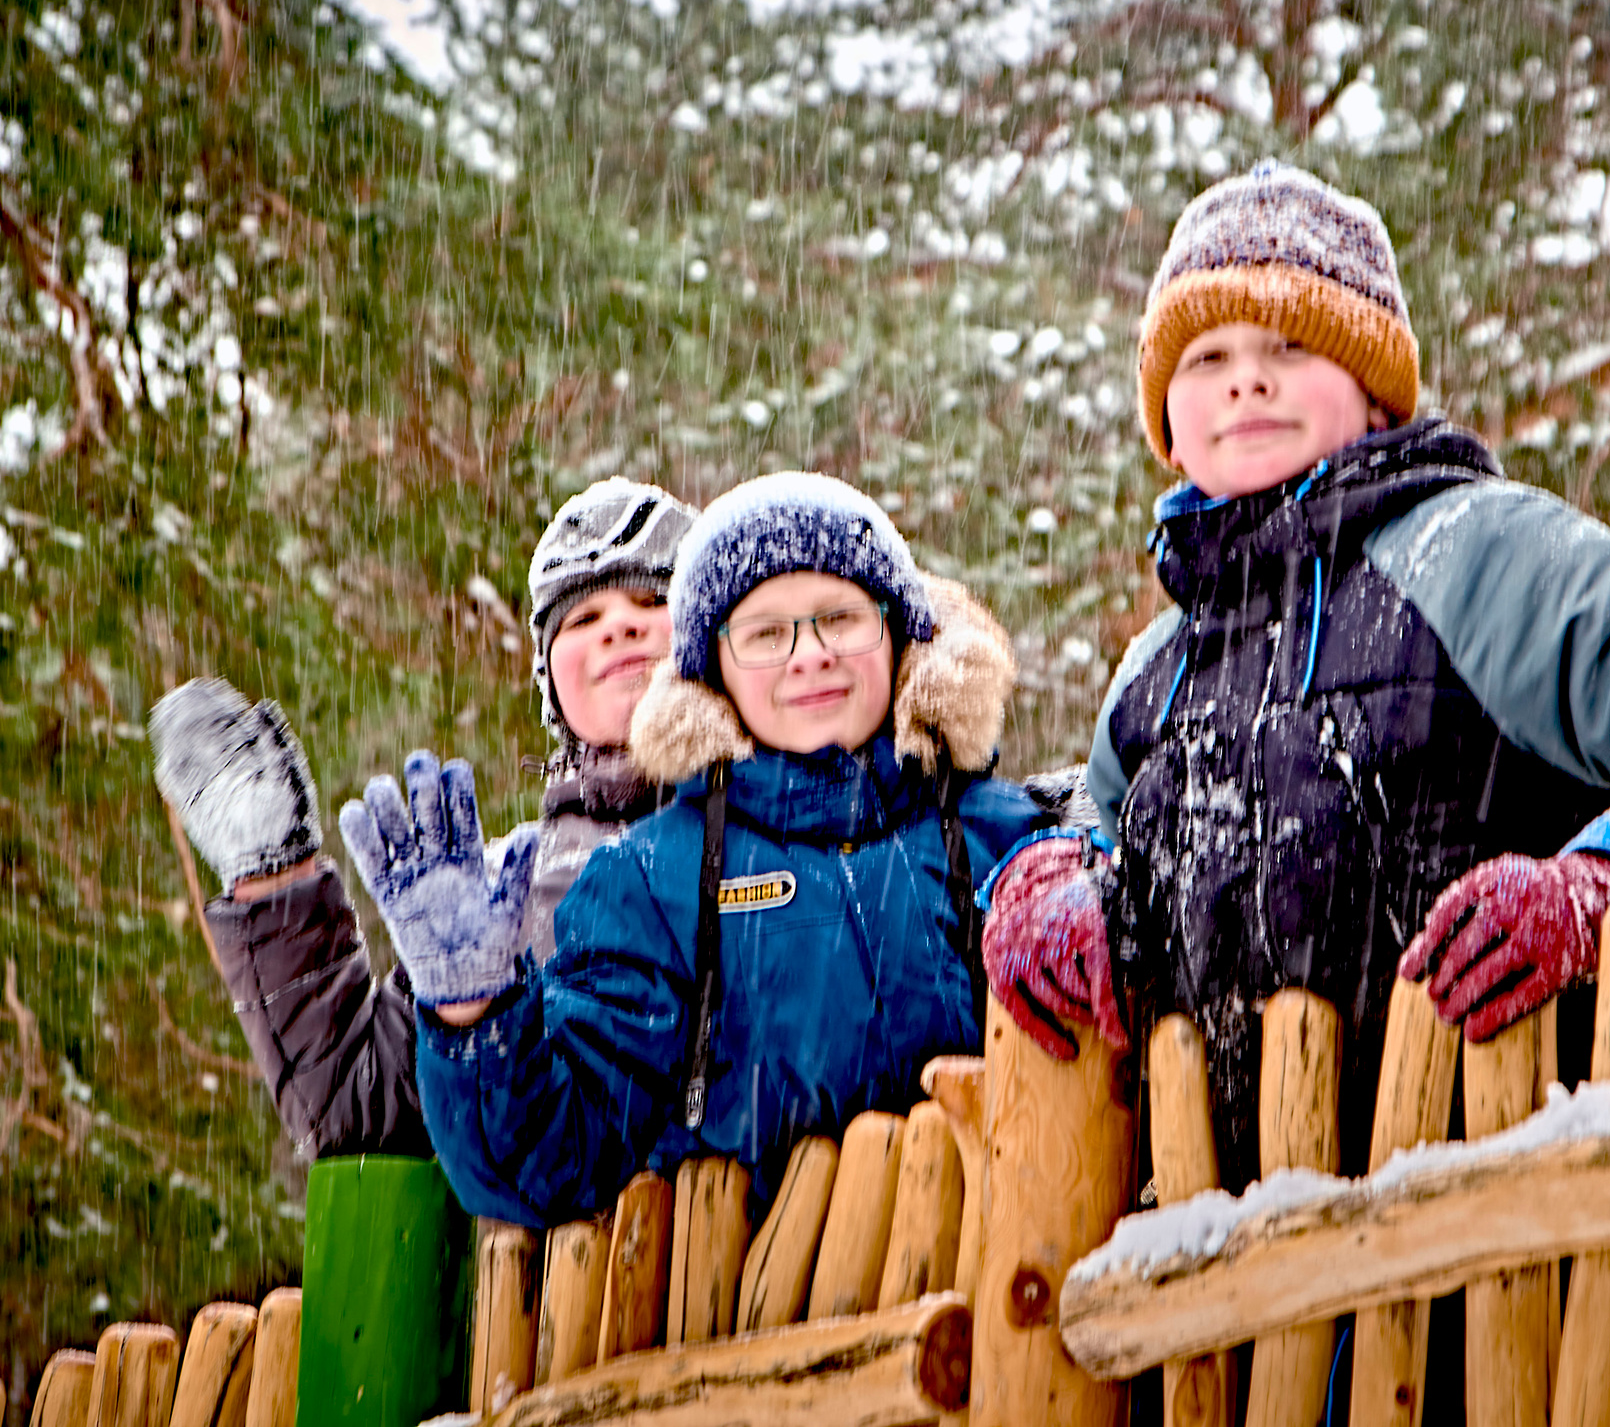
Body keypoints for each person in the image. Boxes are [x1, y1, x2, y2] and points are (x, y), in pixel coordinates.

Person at [982, 161, 1610, 1189]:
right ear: (1167, 422)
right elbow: (1096, 821)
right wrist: (1051, 872)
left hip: (1493, 1274)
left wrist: (1603, 881)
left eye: (1290, 342)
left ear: (1373, 385)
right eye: (1206, 354)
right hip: (1220, 1306)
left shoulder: (1476, 557)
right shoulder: (1158, 667)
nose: (1245, 379)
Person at [349, 474, 1055, 1227]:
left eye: (841, 618)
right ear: (712, 671)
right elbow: (549, 1160)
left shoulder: (1004, 836)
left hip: (1012, 1285)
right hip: (763, 1313)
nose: (810, 655)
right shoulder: (649, 884)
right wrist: (473, 1012)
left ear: (898, 632)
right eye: (765, 633)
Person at [148, 477, 696, 1159]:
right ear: (551, 683)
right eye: (583, 619)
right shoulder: (498, 894)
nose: (619, 624)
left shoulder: (788, 833)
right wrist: (273, 877)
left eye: (652, 600)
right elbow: (361, 1112)